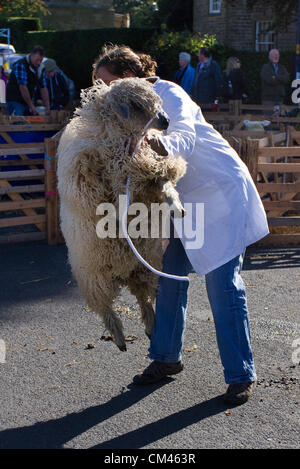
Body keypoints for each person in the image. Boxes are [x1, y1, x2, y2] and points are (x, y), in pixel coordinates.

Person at [92, 45, 269, 405]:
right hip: (184, 202)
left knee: (223, 287)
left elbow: (183, 134)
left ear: (128, 78)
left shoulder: (168, 93)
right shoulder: (120, 113)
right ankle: (166, 358)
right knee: (169, 280)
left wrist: (158, 141)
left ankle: (240, 375)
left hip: (219, 193)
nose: (103, 92)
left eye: (107, 83)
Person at [6, 45, 50, 116]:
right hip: (15, 100)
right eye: (37, 60)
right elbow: (23, 87)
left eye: (41, 60)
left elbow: (43, 88)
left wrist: (47, 107)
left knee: (29, 125)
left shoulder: (40, 68)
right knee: (18, 123)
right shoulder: (21, 65)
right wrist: (32, 106)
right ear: (32, 55)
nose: (39, 63)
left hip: (27, 101)